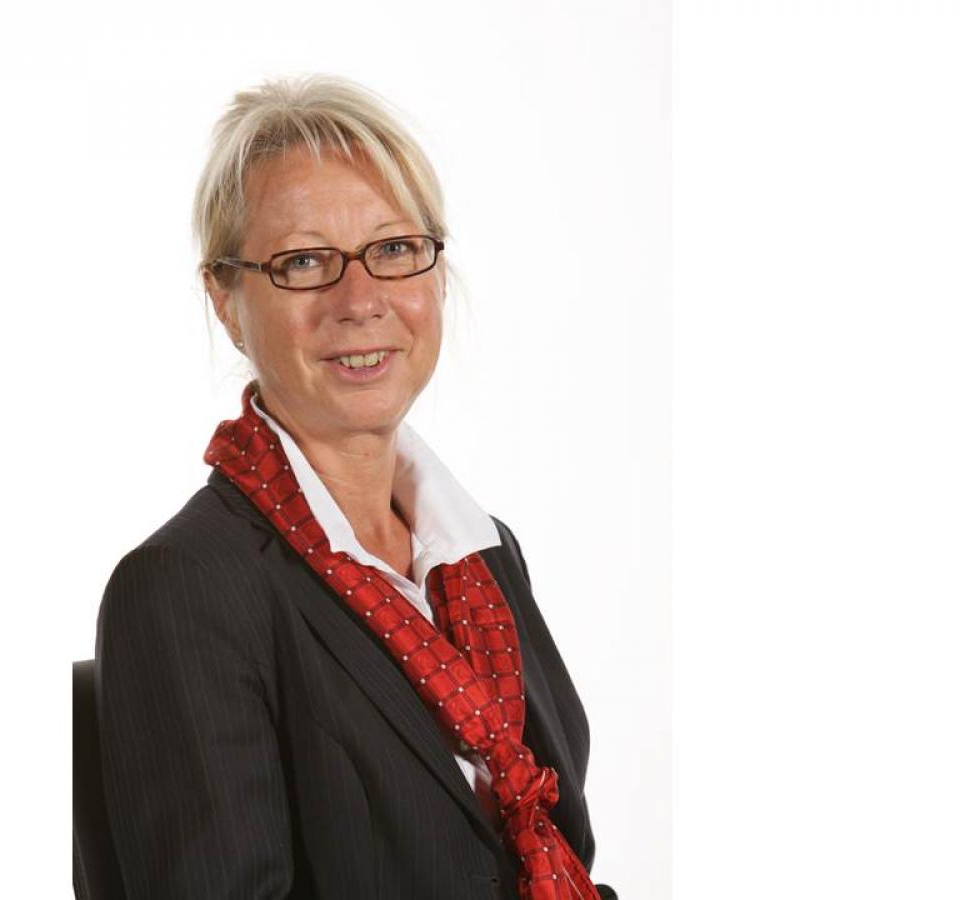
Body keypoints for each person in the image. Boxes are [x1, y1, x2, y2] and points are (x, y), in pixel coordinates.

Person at [94, 74, 618, 900]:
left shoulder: (482, 554)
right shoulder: (185, 589)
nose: (362, 300)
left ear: (435, 273)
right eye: (304, 262)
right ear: (226, 301)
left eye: (394, 249)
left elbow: (560, 855)